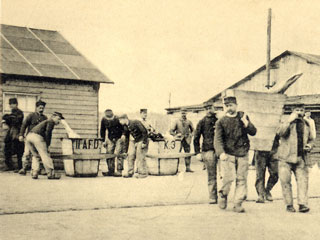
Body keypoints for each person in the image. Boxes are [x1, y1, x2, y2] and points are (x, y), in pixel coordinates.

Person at [214, 96, 257, 213]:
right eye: (226, 106)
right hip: (228, 154)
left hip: (242, 153)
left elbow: (253, 132)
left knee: (241, 179)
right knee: (228, 179)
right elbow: (217, 139)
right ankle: (223, 195)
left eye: (231, 105)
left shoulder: (243, 117)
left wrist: (246, 123)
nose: (229, 108)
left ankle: (238, 203)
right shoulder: (221, 122)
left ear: (236, 105)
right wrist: (221, 153)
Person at [276, 104, 315, 213]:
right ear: (293, 111)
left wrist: (309, 146)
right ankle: (289, 205)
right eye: (297, 110)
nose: (299, 112)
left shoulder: (306, 124)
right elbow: (280, 133)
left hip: (300, 158)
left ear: (304, 112)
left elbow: (312, 139)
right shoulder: (285, 121)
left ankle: (302, 204)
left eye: (301, 110)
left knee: (303, 182)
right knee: (285, 182)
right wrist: (289, 121)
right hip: (285, 158)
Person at [25, 112, 64, 179]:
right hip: (37, 137)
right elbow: (48, 133)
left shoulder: (46, 121)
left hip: (29, 137)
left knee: (36, 156)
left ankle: (34, 172)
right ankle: (51, 174)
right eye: (58, 119)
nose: (59, 121)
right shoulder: (51, 121)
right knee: (45, 155)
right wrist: (48, 145)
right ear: (53, 117)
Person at [194, 104, 219, 204]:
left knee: (226, 175)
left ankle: (223, 195)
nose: (209, 110)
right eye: (207, 109)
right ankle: (213, 196)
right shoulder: (202, 122)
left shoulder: (219, 120)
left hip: (223, 150)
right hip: (209, 150)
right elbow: (196, 137)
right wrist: (197, 152)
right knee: (212, 174)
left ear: (214, 109)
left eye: (210, 108)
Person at [18, 100, 48, 175]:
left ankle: (36, 170)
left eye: (42, 108)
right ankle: (24, 168)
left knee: (37, 155)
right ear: (36, 108)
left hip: (39, 139)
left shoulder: (45, 118)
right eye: (40, 108)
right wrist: (21, 135)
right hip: (29, 138)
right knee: (26, 153)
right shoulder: (31, 116)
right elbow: (24, 125)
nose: (41, 109)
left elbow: (45, 130)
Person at [118, 114, 149, 178]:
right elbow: (126, 139)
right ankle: (130, 172)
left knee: (139, 156)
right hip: (135, 140)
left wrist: (144, 142)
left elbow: (144, 131)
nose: (119, 122)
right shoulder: (125, 126)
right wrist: (125, 151)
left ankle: (143, 173)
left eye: (120, 120)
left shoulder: (135, 122)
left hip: (142, 140)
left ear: (125, 119)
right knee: (131, 155)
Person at [100, 109, 128, 177]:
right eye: (108, 118)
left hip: (119, 138)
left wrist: (123, 134)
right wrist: (103, 141)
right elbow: (102, 130)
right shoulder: (103, 120)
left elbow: (124, 127)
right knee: (109, 154)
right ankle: (110, 170)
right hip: (110, 138)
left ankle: (119, 171)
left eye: (110, 118)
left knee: (119, 154)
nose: (109, 120)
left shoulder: (118, 119)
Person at [254, 134, 280, 203]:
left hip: (274, 148)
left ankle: (267, 190)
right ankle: (260, 194)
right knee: (260, 174)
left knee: (276, 173)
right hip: (260, 148)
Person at [2, 98, 24, 171]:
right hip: (10, 132)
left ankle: (20, 167)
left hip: (18, 131)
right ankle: (9, 166)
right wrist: (7, 117)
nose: (11, 105)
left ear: (16, 104)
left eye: (13, 104)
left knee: (19, 150)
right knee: (7, 148)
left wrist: (8, 117)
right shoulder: (11, 113)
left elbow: (16, 120)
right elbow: (8, 120)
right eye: (10, 104)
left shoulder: (20, 112)